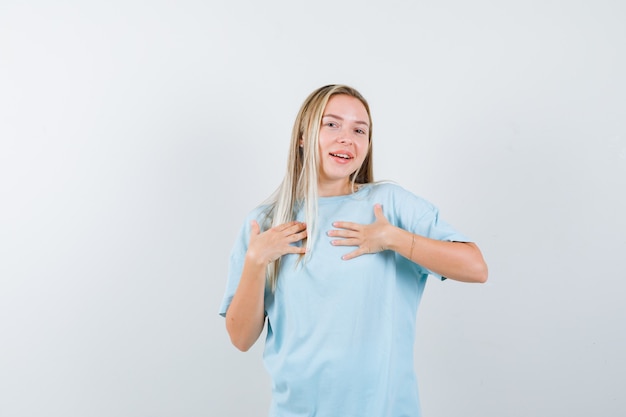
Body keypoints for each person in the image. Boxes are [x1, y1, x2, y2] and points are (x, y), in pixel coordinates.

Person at [219, 84, 488, 417]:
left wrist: (394, 239)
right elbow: (241, 338)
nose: (347, 137)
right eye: (331, 124)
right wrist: (256, 260)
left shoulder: (389, 204)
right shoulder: (265, 223)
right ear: (303, 135)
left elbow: (476, 267)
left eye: (359, 130)